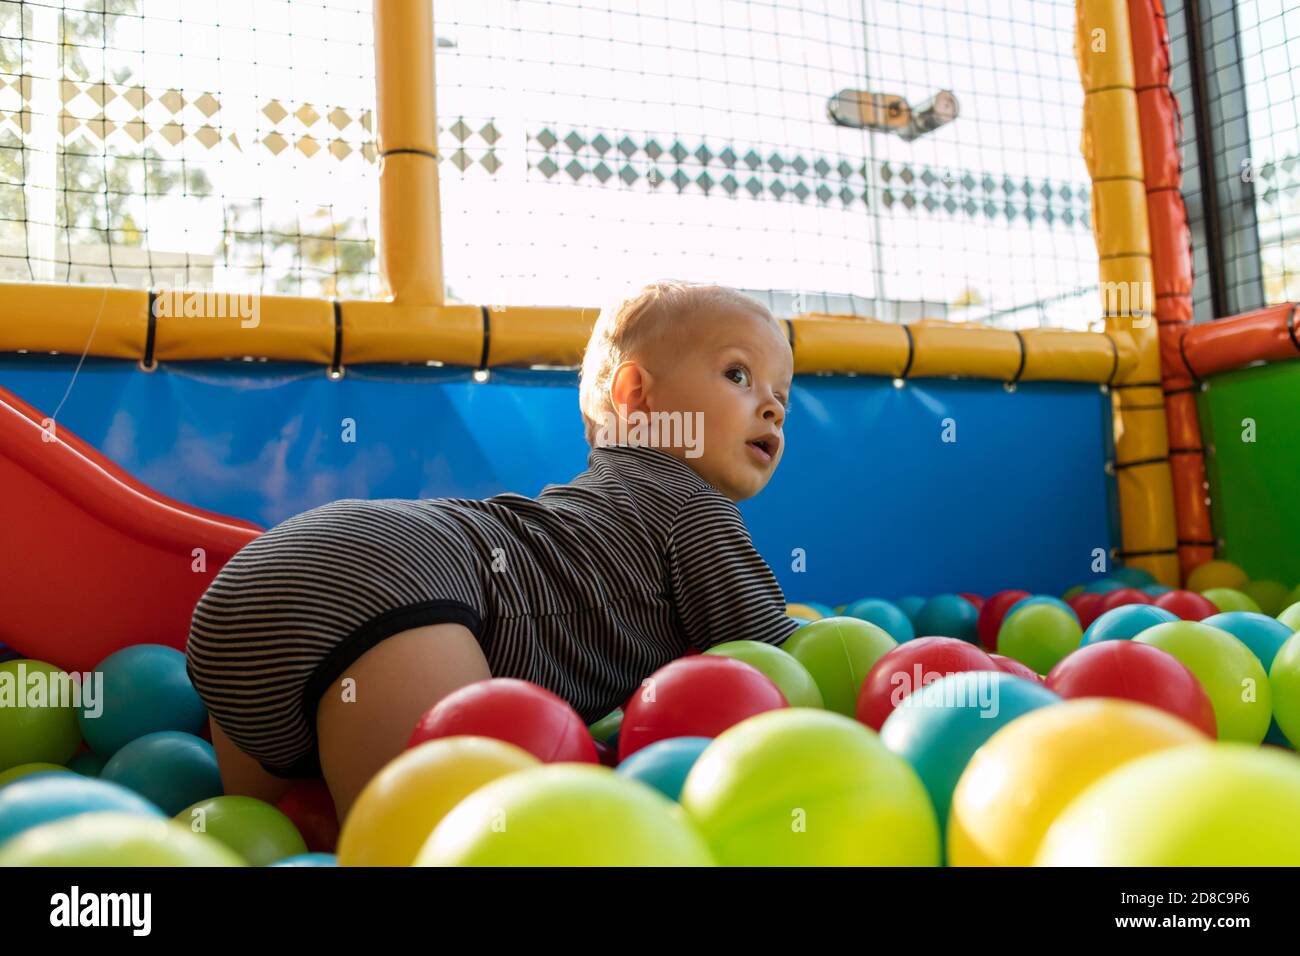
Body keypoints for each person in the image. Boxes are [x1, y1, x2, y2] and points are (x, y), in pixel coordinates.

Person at [186, 281, 798, 819]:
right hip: (393, 596)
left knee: (263, 836)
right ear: (634, 394)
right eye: (738, 375)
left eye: (783, 397)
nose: (771, 406)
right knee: (440, 840)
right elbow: (774, 660)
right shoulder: (692, 504)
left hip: (249, 602)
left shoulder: (583, 509)